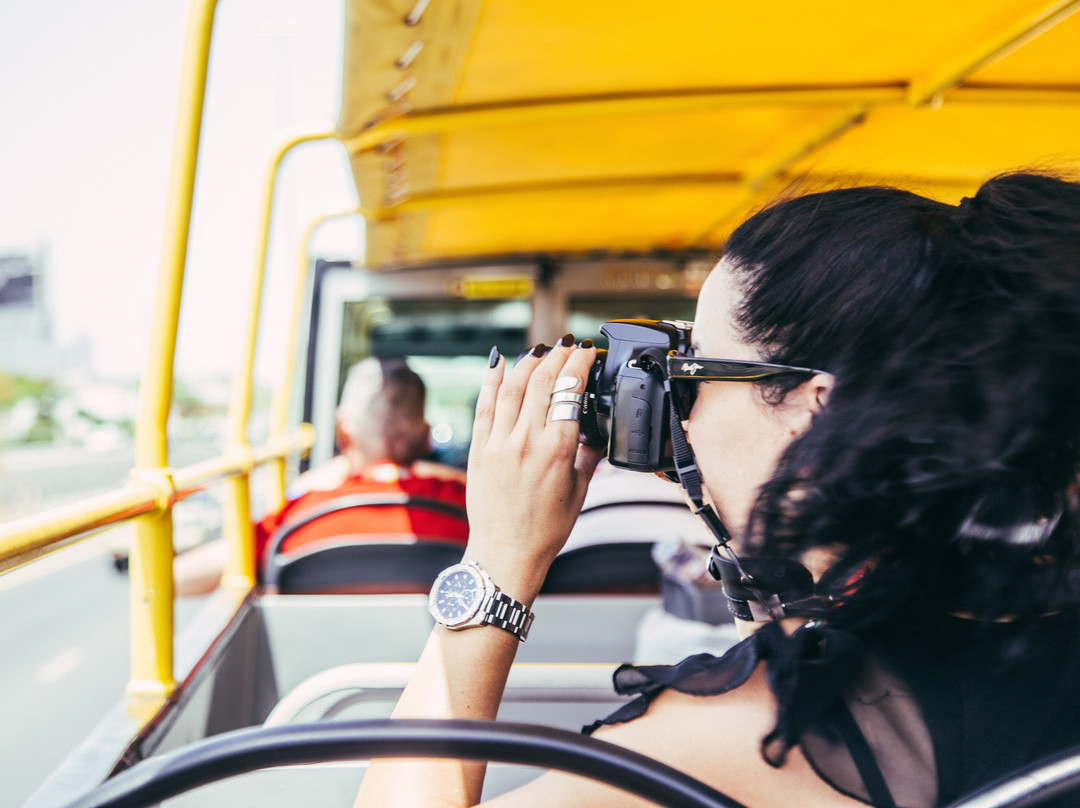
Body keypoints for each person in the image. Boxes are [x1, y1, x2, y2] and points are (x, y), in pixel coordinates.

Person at [353, 172, 1080, 808]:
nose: (679, 419)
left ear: (816, 409)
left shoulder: (741, 739)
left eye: (692, 373)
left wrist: (497, 561)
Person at [175, 357, 468, 596]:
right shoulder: (467, 506)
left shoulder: (302, 512)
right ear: (426, 437)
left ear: (342, 430)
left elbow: (186, 576)